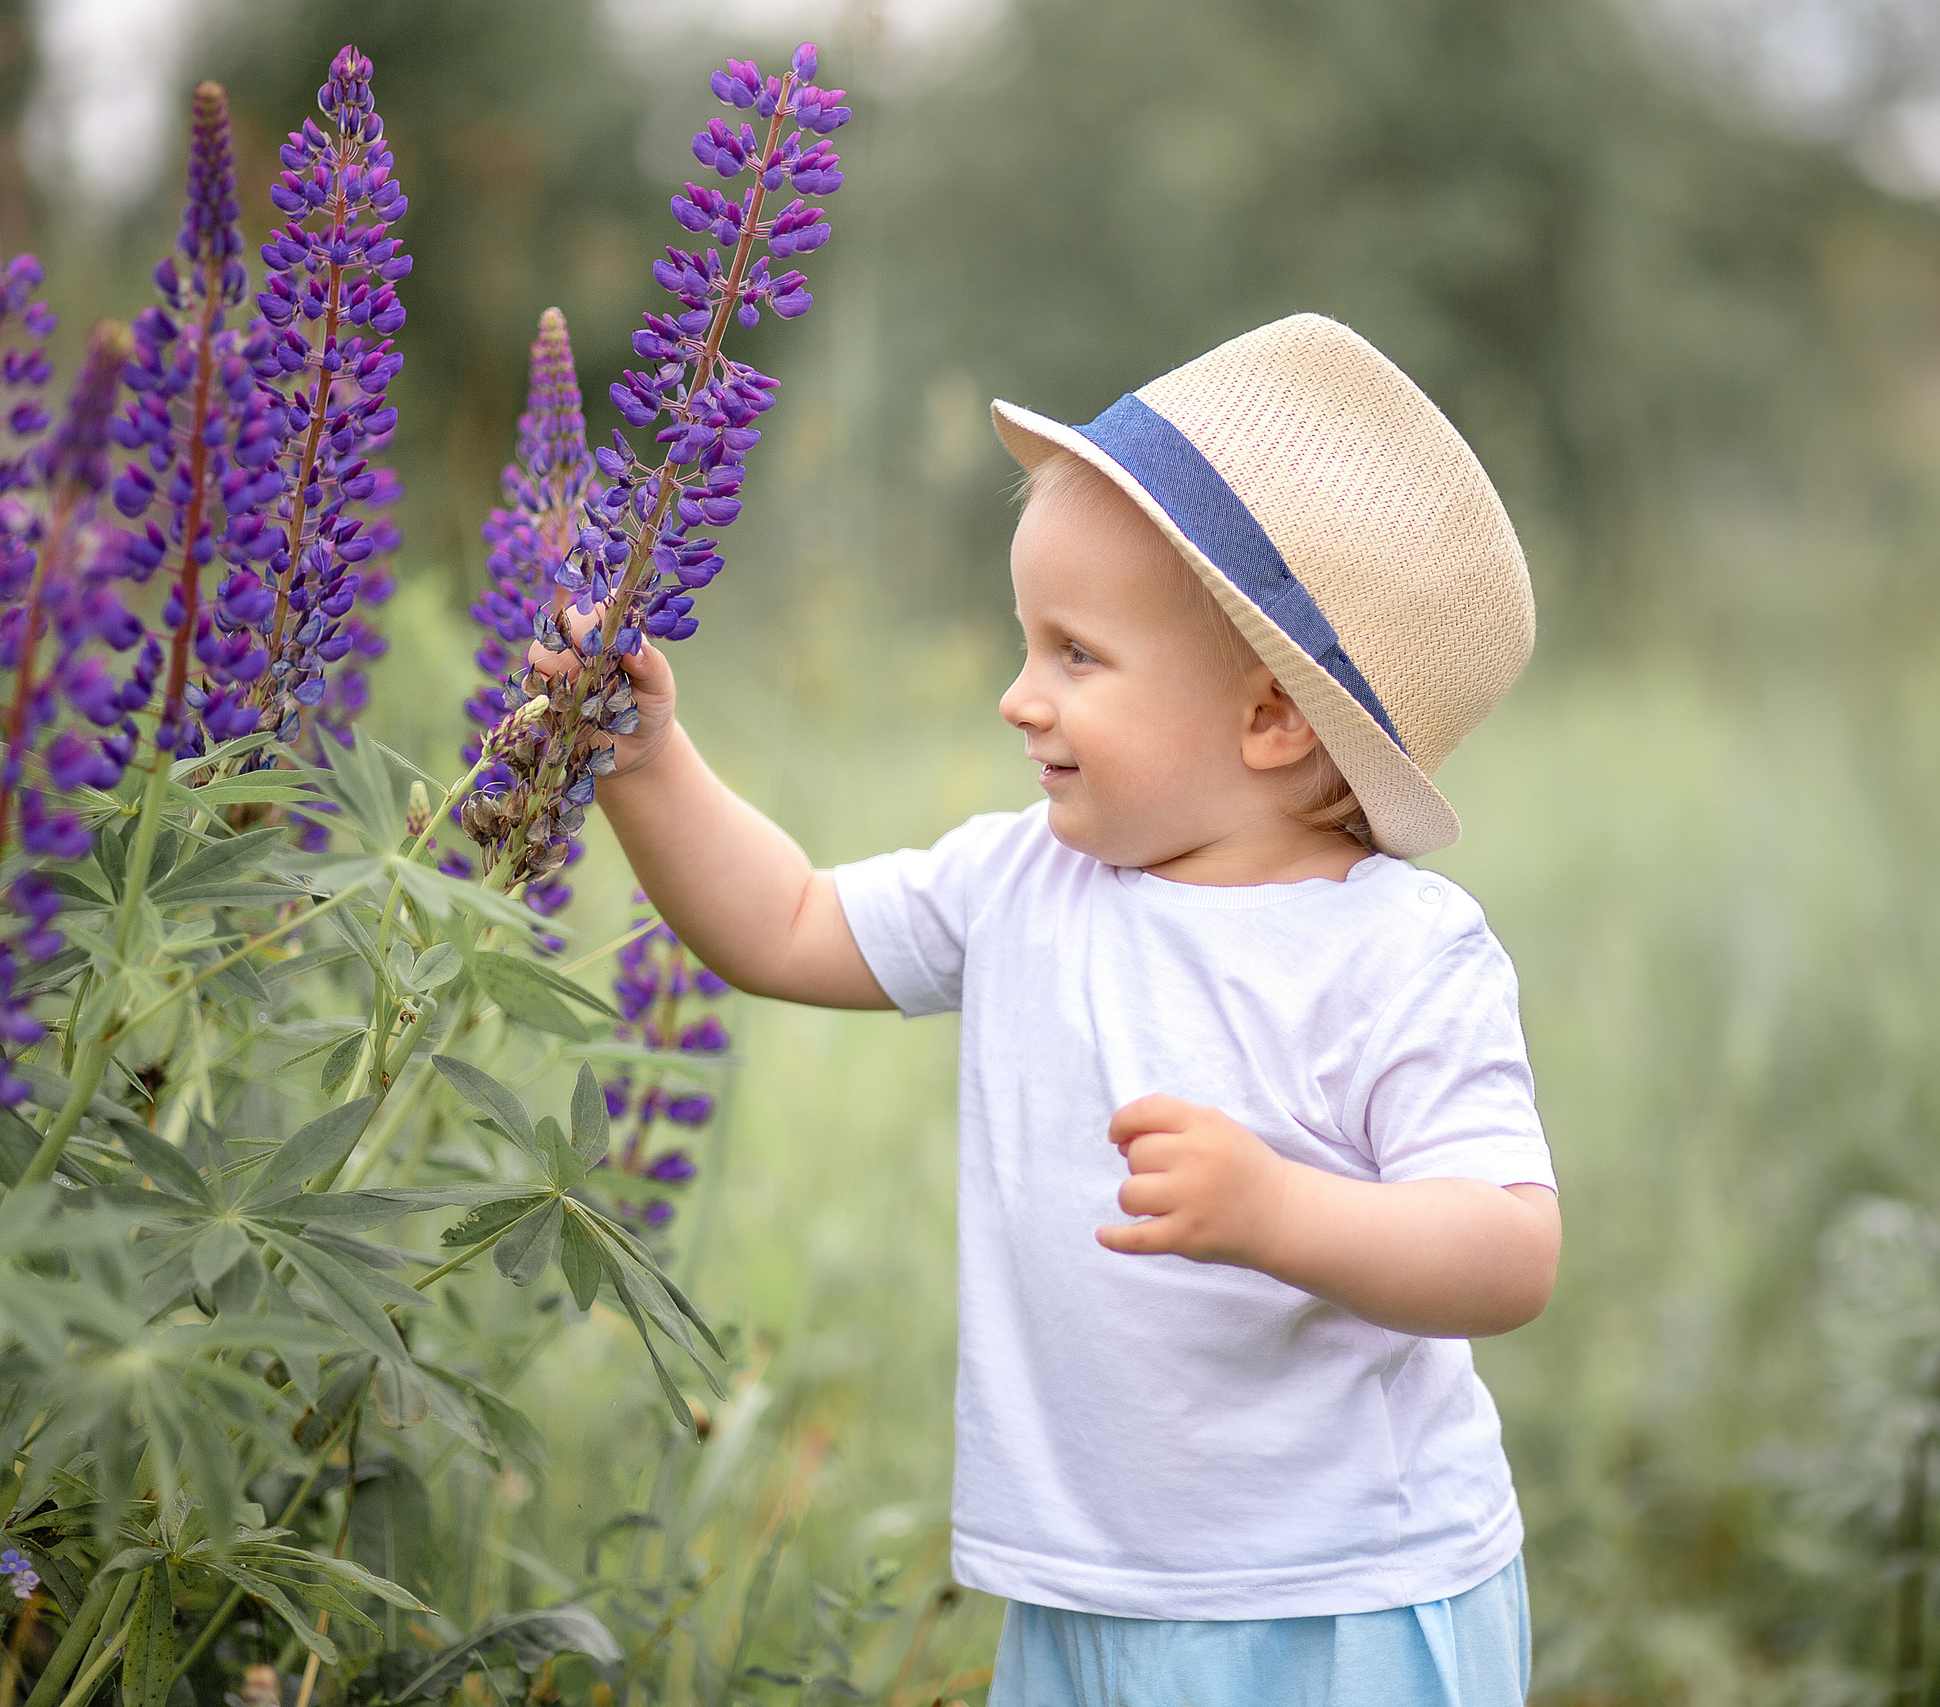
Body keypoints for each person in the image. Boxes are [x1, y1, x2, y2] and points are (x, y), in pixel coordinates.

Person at [539, 313, 1560, 1707]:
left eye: (1075, 655)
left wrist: (1279, 1213)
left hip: (1341, 1604)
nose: (1020, 698)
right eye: (1028, 644)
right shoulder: (1024, 880)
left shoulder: (1396, 953)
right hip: (1083, 1587)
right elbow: (782, 924)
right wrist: (644, 761)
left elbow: (1509, 1250)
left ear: (1270, 719)